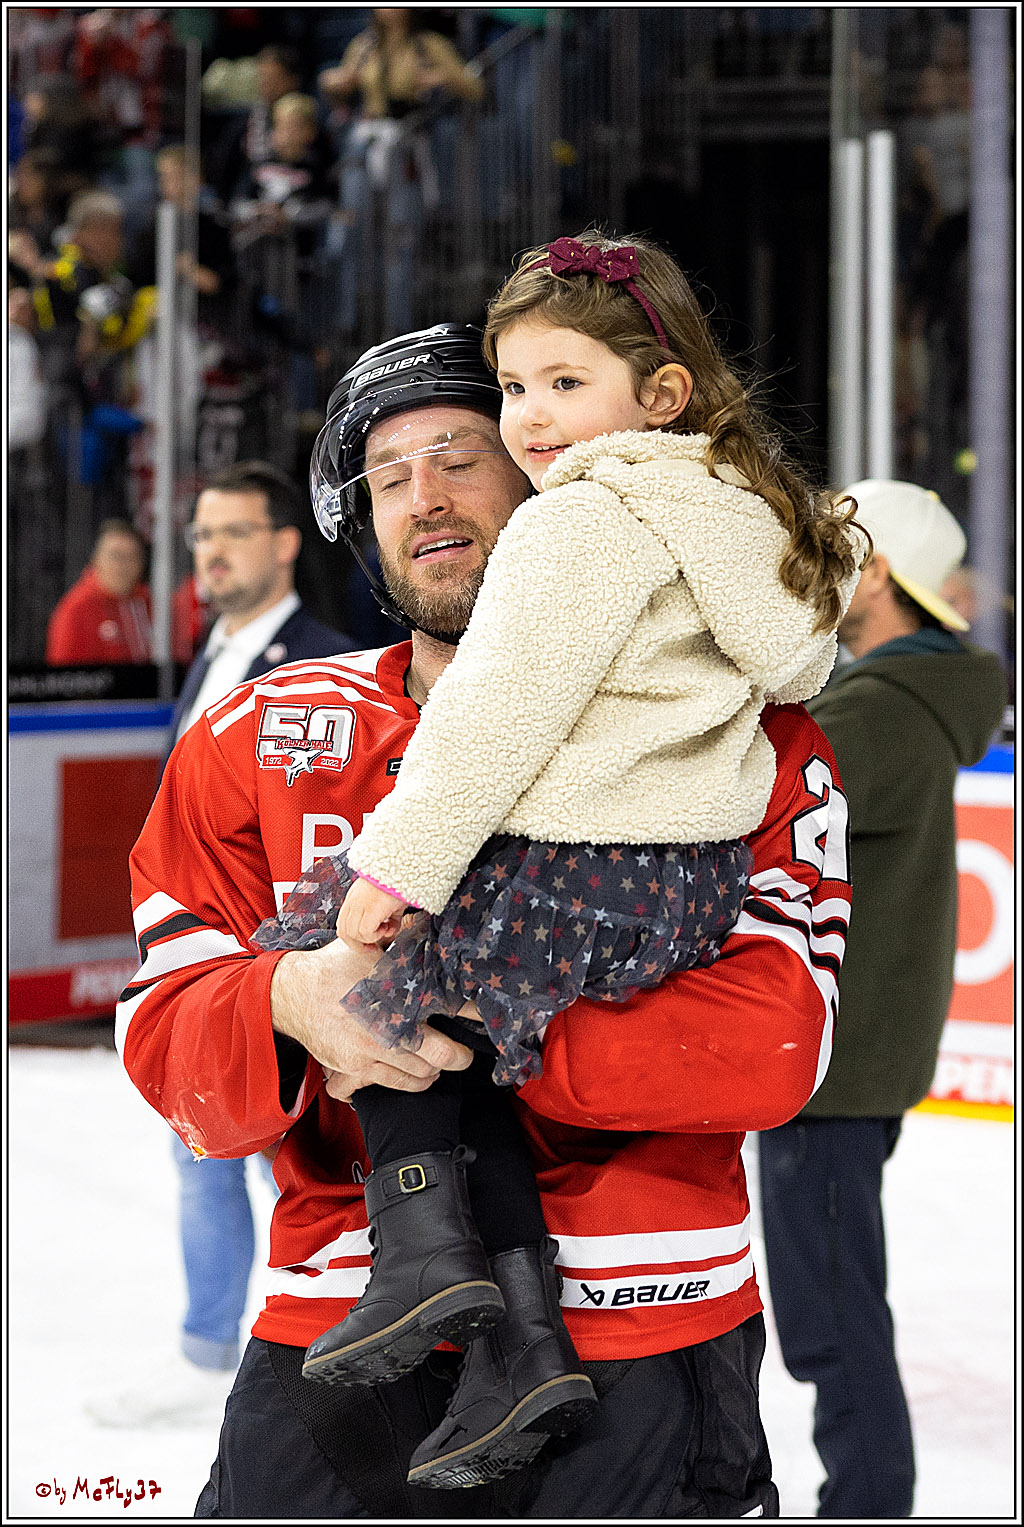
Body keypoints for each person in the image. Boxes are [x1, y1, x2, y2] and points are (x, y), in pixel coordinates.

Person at [115, 317, 856, 1517]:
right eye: (387, 477)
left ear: (553, 468)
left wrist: (466, 1022)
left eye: (462, 458)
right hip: (339, 1332)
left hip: (641, 1331)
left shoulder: (741, 738)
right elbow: (167, 1044)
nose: (425, 498)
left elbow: (776, 1043)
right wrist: (288, 1002)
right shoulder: (251, 736)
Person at [757, 478, 1007, 1520]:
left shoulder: (879, 712)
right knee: (830, 1302)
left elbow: (740, 809)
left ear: (880, 575)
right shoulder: (895, 697)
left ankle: (866, 1504)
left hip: (836, 1068)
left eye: (831, 552)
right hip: (843, 1058)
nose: (807, 571)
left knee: (829, 1315)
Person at [88, 461, 355, 1431]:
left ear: (284, 543)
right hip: (207, 967)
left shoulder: (332, 663)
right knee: (200, 1148)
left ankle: (331, 1351)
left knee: (311, 1167)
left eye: (233, 532)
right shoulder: (214, 652)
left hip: (292, 970)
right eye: (201, 535)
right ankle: (209, 1349)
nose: (211, 552)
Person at [45, 518, 150, 665]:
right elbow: (66, 675)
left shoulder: (149, 602)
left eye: (132, 557)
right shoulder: (77, 610)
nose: (123, 566)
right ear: (97, 560)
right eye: (116, 556)